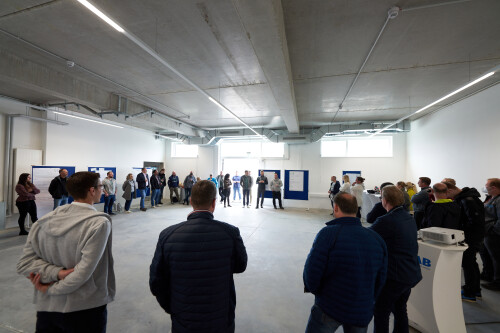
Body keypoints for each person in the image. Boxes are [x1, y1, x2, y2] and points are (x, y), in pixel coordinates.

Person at [17, 171, 115, 332]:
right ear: (92, 190)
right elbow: (83, 272)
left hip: (48, 308)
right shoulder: (99, 224)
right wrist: (52, 286)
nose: (101, 190)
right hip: (85, 308)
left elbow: (24, 264)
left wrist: (55, 274)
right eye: (100, 186)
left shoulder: (43, 222)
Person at [150, 180, 247, 333]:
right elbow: (241, 266)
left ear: (190, 201)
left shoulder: (167, 236)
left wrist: (173, 307)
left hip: (183, 320)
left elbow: (156, 282)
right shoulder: (230, 233)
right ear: (214, 203)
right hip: (220, 319)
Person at [303, 193, 387, 333]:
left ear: (336, 208)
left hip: (329, 306)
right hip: (361, 309)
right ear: (355, 209)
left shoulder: (328, 234)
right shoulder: (377, 239)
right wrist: (368, 300)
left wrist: (318, 293)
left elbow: (312, 272)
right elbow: (381, 278)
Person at [370, 185, 422, 333]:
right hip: (410, 273)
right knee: (400, 309)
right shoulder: (408, 217)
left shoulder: (386, 220)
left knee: (381, 311)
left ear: (384, 200)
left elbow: (366, 237)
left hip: (394, 276)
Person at [443, 181, 485, 301]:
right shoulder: (466, 198)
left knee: (467, 264)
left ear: (450, 190)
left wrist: (462, 235)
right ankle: (475, 290)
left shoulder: (467, 200)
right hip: (472, 236)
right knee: (471, 263)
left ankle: (470, 292)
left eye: (447, 194)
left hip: (470, 238)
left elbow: (473, 221)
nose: (448, 198)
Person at [481, 178, 500, 291]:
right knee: (487, 254)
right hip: (487, 232)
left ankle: (498, 282)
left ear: (493, 187)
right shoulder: (491, 198)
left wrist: (493, 231)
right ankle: (489, 275)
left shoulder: (499, 200)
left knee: (496, 258)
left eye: (486, 185)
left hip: (494, 234)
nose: (485, 187)